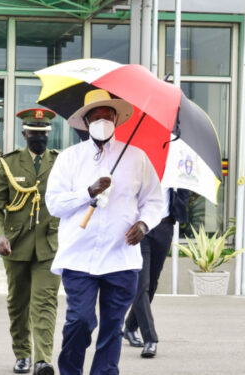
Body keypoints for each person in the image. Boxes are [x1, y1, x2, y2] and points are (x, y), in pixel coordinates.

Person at [45, 89, 165, 375]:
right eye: (96, 117)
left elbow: (155, 201)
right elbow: (53, 204)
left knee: (112, 328)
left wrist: (144, 224)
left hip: (121, 258)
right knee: (81, 321)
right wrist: (88, 192)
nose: (102, 121)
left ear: (116, 120)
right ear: (85, 122)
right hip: (79, 257)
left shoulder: (137, 158)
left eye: (107, 116)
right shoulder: (69, 158)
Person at [0, 108, 61, 375]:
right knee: (18, 303)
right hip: (14, 244)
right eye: (34, 133)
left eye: (43, 133)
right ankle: (22, 353)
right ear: (24, 133)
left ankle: (43, 359)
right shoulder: (9, 163)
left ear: (48, 134)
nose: (39, 138)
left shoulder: (60, 162)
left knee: (45, 302)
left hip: (49, 245)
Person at [123, 188, 191, 358]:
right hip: (140, 228)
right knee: (141, 285)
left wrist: (180, 209)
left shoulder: (174, 165)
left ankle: (130, 327)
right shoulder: (140, 163)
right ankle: (150, 339)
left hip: (164, 226)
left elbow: (184, 187)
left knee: (152, 284)